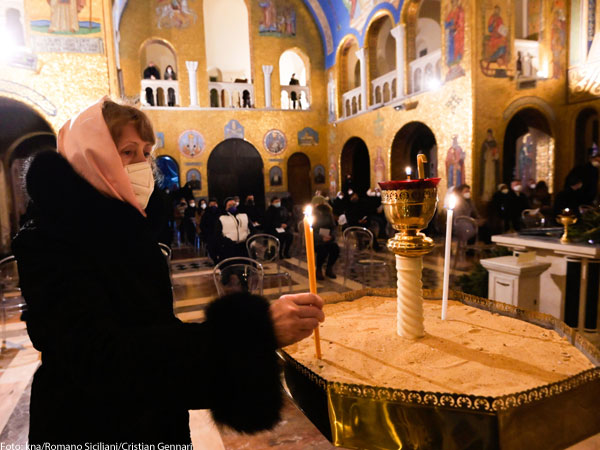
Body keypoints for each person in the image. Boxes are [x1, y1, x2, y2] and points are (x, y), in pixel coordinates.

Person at [11, 98, 324, 444]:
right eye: (127, 152)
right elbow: (103, 359)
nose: (142, 163)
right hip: (89, 426)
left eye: (146, 152)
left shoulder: (132, 228)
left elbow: (154, 329)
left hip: (156, 420)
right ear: (89, 157)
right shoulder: (49, 241)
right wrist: (250, 334)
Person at [215, 197, 252, 261]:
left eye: (234, 205)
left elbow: (252, 229)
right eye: (230, 205)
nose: (232, 207)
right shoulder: (222, 218)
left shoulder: (244, 216)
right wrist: (227, 242)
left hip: (244, 247)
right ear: (226, 207)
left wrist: (249, 239)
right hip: (229, 247)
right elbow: (218, 234)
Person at [312, 203, 339, 280]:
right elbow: (311, 230)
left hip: (328, 237)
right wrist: (321, 238)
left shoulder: (329, 215)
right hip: (317, 240)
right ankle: (319, 269)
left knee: (335, 249)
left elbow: (333, 228)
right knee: (322, 251)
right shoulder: (313, 216)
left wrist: (331, 236)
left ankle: (329, 268)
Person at [200, 197, 221, 263]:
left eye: (214, 205)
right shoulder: (206, 214)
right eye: (211, 205)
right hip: (209, 234)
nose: (213, 206)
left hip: (219, 234)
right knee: (211, 249)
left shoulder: (220, 212)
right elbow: (202, 225)